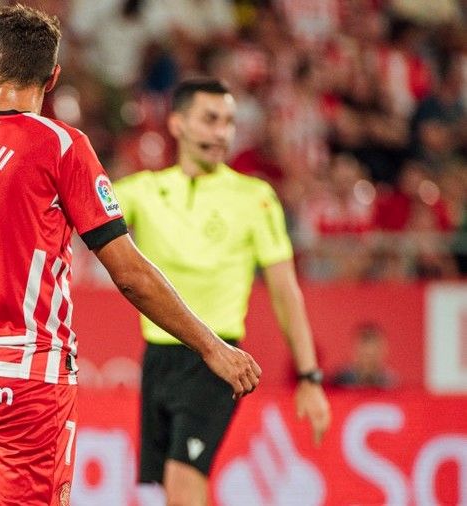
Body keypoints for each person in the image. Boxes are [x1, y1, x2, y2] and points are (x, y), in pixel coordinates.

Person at [0, 6, 261, 505]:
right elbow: (127, 272)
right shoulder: (61, 146)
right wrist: (210, 346)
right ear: (53, 77)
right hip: (29, 373)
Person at [113, 77, 331, 505]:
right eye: (210, 120)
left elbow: (286, 291)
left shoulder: (255, 198)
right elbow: (79, 210)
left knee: (183, 482)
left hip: (218, 360)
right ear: (176, 124)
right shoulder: (144, 191)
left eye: (229, 122)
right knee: (165, 489)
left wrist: (310, 376)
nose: (221, 133)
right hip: (158, 357)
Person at [331, 322, 398, 389]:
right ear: (354, 349)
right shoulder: (338, 381)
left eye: (375, 348)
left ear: (384, 350)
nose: (369, 351)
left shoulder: (391, 383)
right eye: (364, 348)